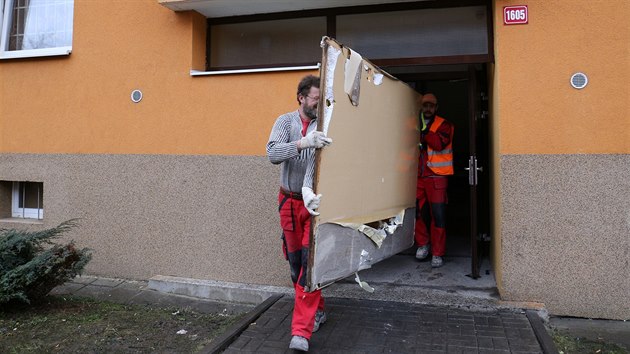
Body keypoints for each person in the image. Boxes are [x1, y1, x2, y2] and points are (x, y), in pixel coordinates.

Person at [266, 75, 332, 352]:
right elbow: (272, 154)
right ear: (301, 97)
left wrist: (309, 188)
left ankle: (300, 334)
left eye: (321, 101)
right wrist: (302, 143)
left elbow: (318, 164)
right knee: (295, 266)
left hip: (312, 205)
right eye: (315, 100)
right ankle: (318, 308)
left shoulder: (326, 125)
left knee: (308, 265)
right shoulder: (284, 122)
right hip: (288, 203)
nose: (318, 106)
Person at [415, 93, 454, 268]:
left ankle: (437, 253)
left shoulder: (444, 125)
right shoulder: (412, 124)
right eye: (425, 105)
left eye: (431, 106)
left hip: (436, 177)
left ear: (436, 108)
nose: (428, 109)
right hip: (417, 176)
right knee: (416, 213)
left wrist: (423, 131)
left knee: (438, 216)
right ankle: (423, 245)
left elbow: (439, 144)